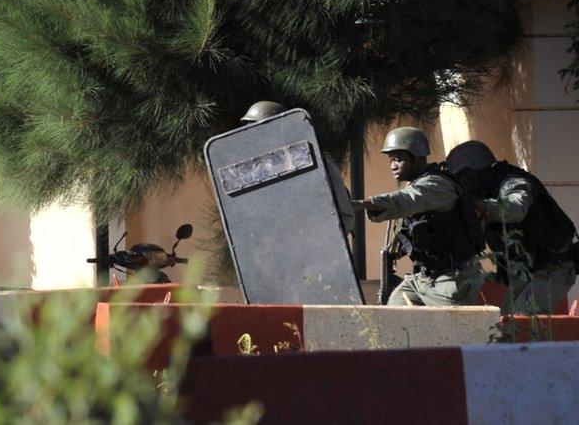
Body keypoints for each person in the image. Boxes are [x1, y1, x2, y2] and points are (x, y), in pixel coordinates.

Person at [353, 127, 484, 306]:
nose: (393, 166)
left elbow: (406, 199)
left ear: (417, 159)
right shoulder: (413, 184)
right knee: (393, 313)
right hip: (422, 278)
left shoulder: (437, 185)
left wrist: (360, 204)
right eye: (391, 160)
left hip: (450, 279)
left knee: (451, 329)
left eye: (398, 159)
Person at [447, 140, 577, 314]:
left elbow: (516, 209)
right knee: (507, 325)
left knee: (521, 325)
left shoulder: (513, 182)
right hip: (525, 272)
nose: (462, 184)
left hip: (552, 268)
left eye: (462, 177)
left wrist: (480, 206)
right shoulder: (486, 191)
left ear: (475, 173)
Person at [240, 101, 356, 234]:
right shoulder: (254, 173)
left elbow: (345, 216)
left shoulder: (315, 161)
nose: (253, 138)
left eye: (258, 131)